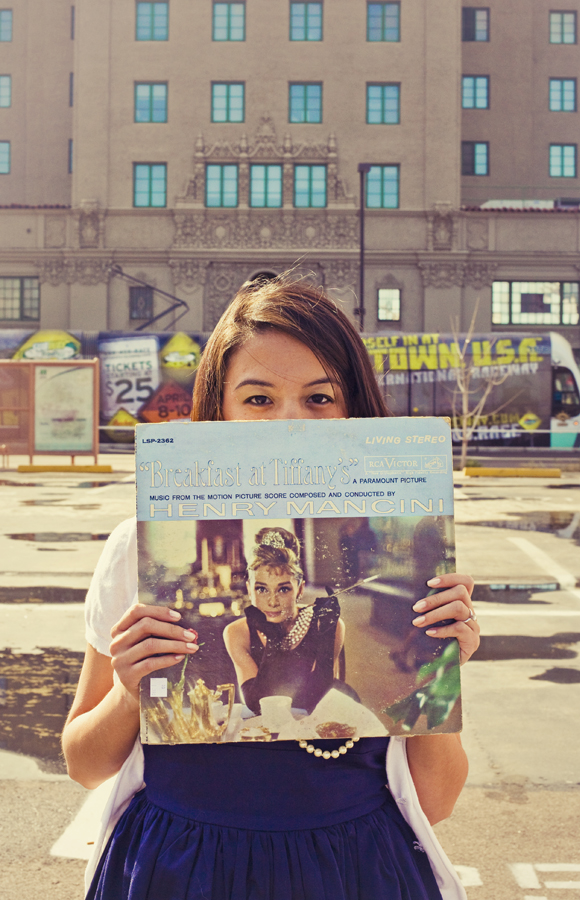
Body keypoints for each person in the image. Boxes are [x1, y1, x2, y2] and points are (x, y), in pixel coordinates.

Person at [62, 275, 480, 900]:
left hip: (354, 866)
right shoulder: (134, 547)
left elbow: (438, 801)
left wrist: (439, 673)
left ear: (353, 410)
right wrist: (128, 694)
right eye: (259, 399)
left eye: (319, 398)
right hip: (180, 866)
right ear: (218, 409)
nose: (292, 423)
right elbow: (84, 764)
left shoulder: (400, 581)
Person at [224, 526, 354, 715]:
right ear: (249, 589)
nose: (272, 601)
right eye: (261, 589)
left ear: (300, 589)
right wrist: (273, 641)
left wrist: (326, 635)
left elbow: (323, 699)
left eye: (283, 589)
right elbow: (256, 704)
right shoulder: (236, 633)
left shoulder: (325, 625)